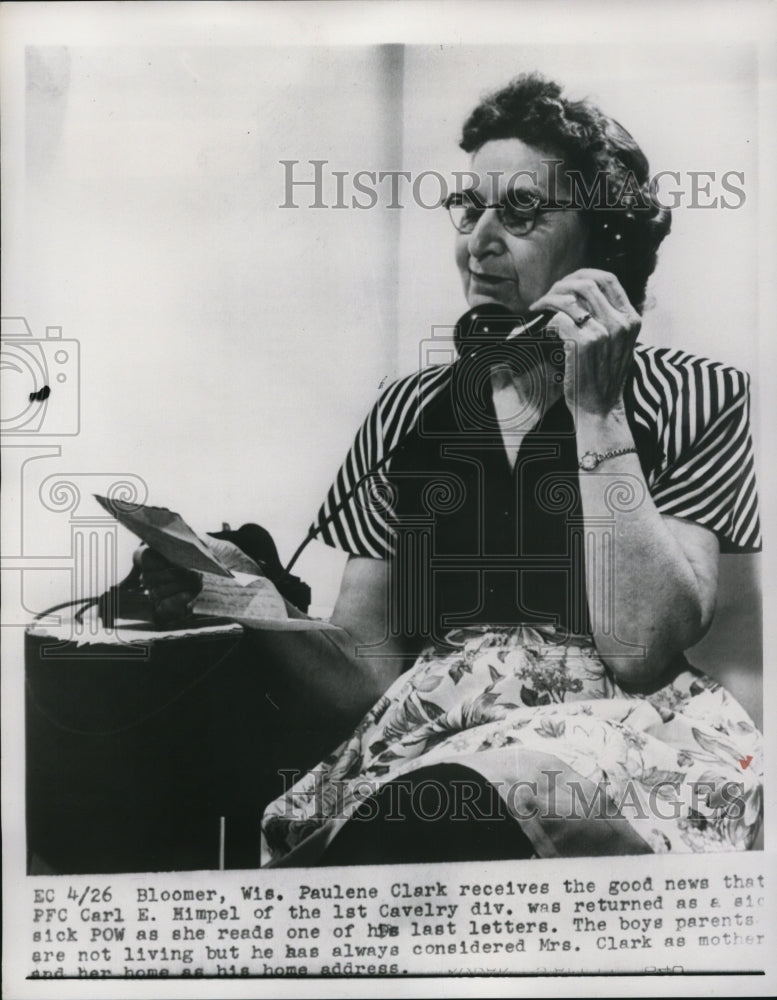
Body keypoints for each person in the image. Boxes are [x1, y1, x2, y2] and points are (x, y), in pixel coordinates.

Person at [139, 73, 762, 865]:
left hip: (615, 747)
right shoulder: (407, 410)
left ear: (603, 239)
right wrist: (228, 596)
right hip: (429, 737)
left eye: (522, 212)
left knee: (504, 796)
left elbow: (639, 646)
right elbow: (365, 675)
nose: (478, 241)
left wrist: (597, 409)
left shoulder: (693, 392)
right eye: (468, 209)